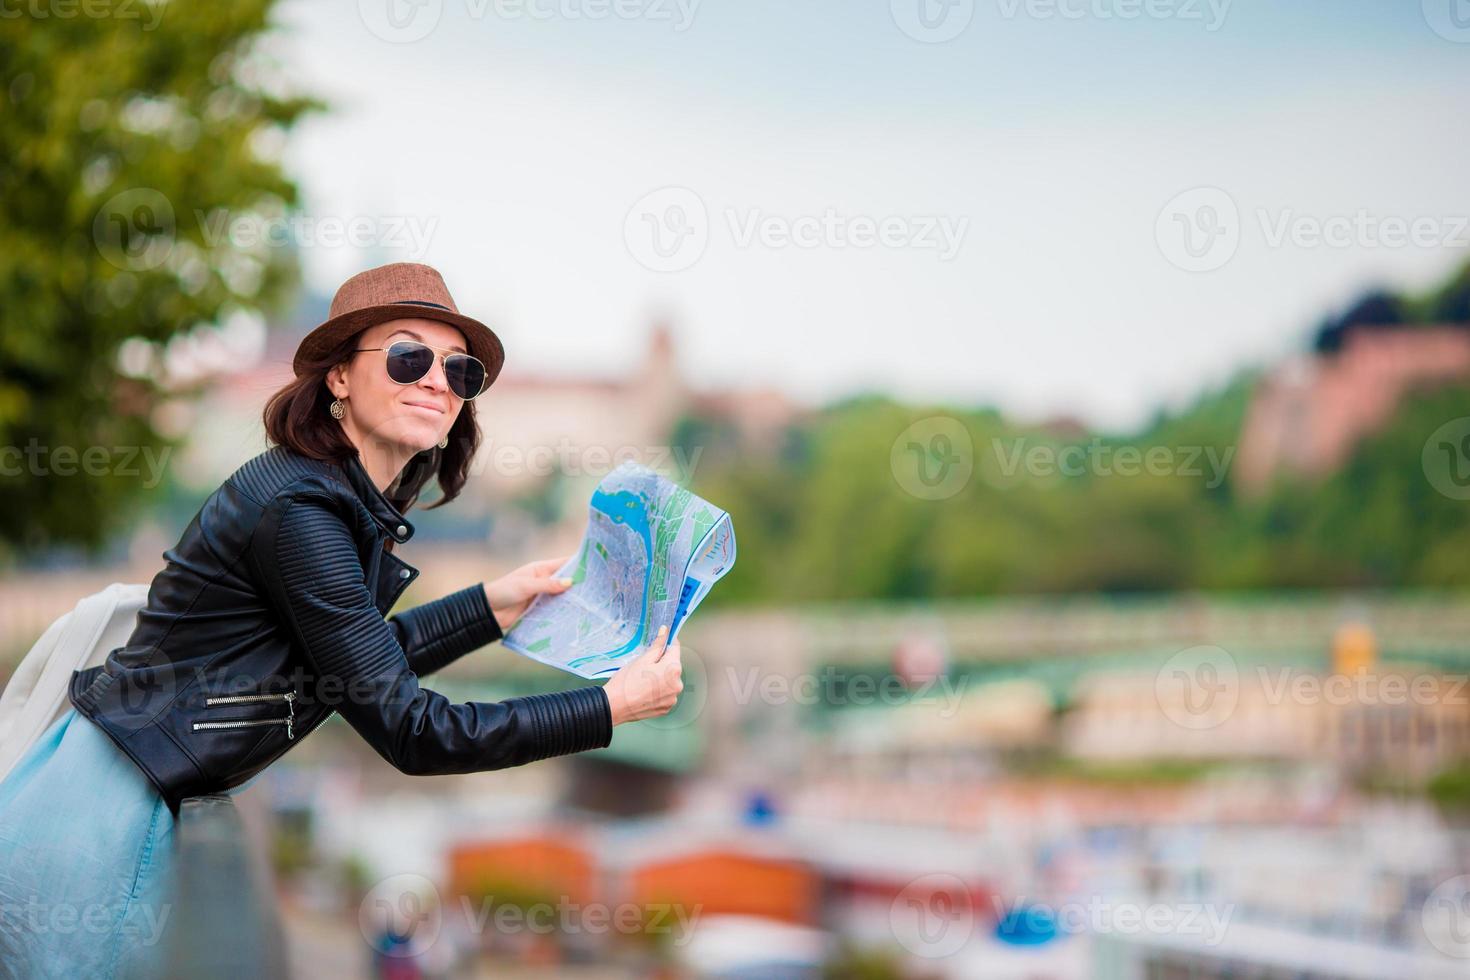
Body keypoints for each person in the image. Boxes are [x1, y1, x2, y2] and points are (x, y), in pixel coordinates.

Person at [0, 262, 685, 978]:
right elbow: (411, 730)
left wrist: (491, 606)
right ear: (338, 377)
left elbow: (354, 671)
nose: (435, 380)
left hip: (113, 794)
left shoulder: (323, 495)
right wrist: (608, 708)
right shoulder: (304, 513)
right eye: (407, 356)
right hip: (107, 822)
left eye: (460, 370)